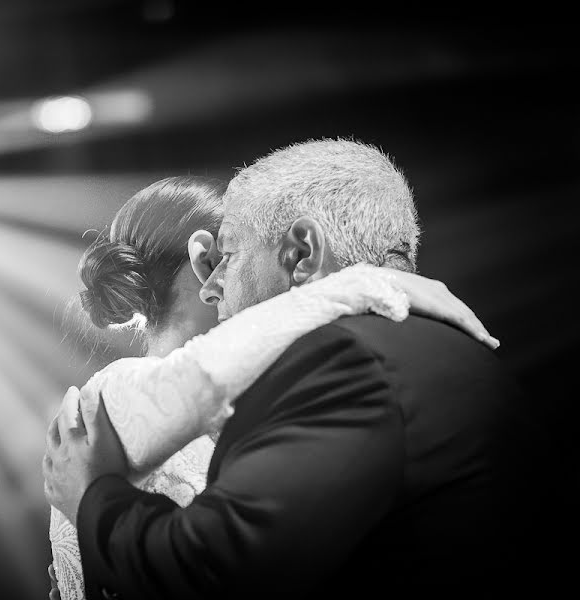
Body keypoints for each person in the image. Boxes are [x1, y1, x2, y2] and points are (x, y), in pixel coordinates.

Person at [46, 165, 504, 600]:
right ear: (205, 260)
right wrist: (362, 285)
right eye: (228, 255)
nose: (222, 284)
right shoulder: (133, 392)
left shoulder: (189, 391)